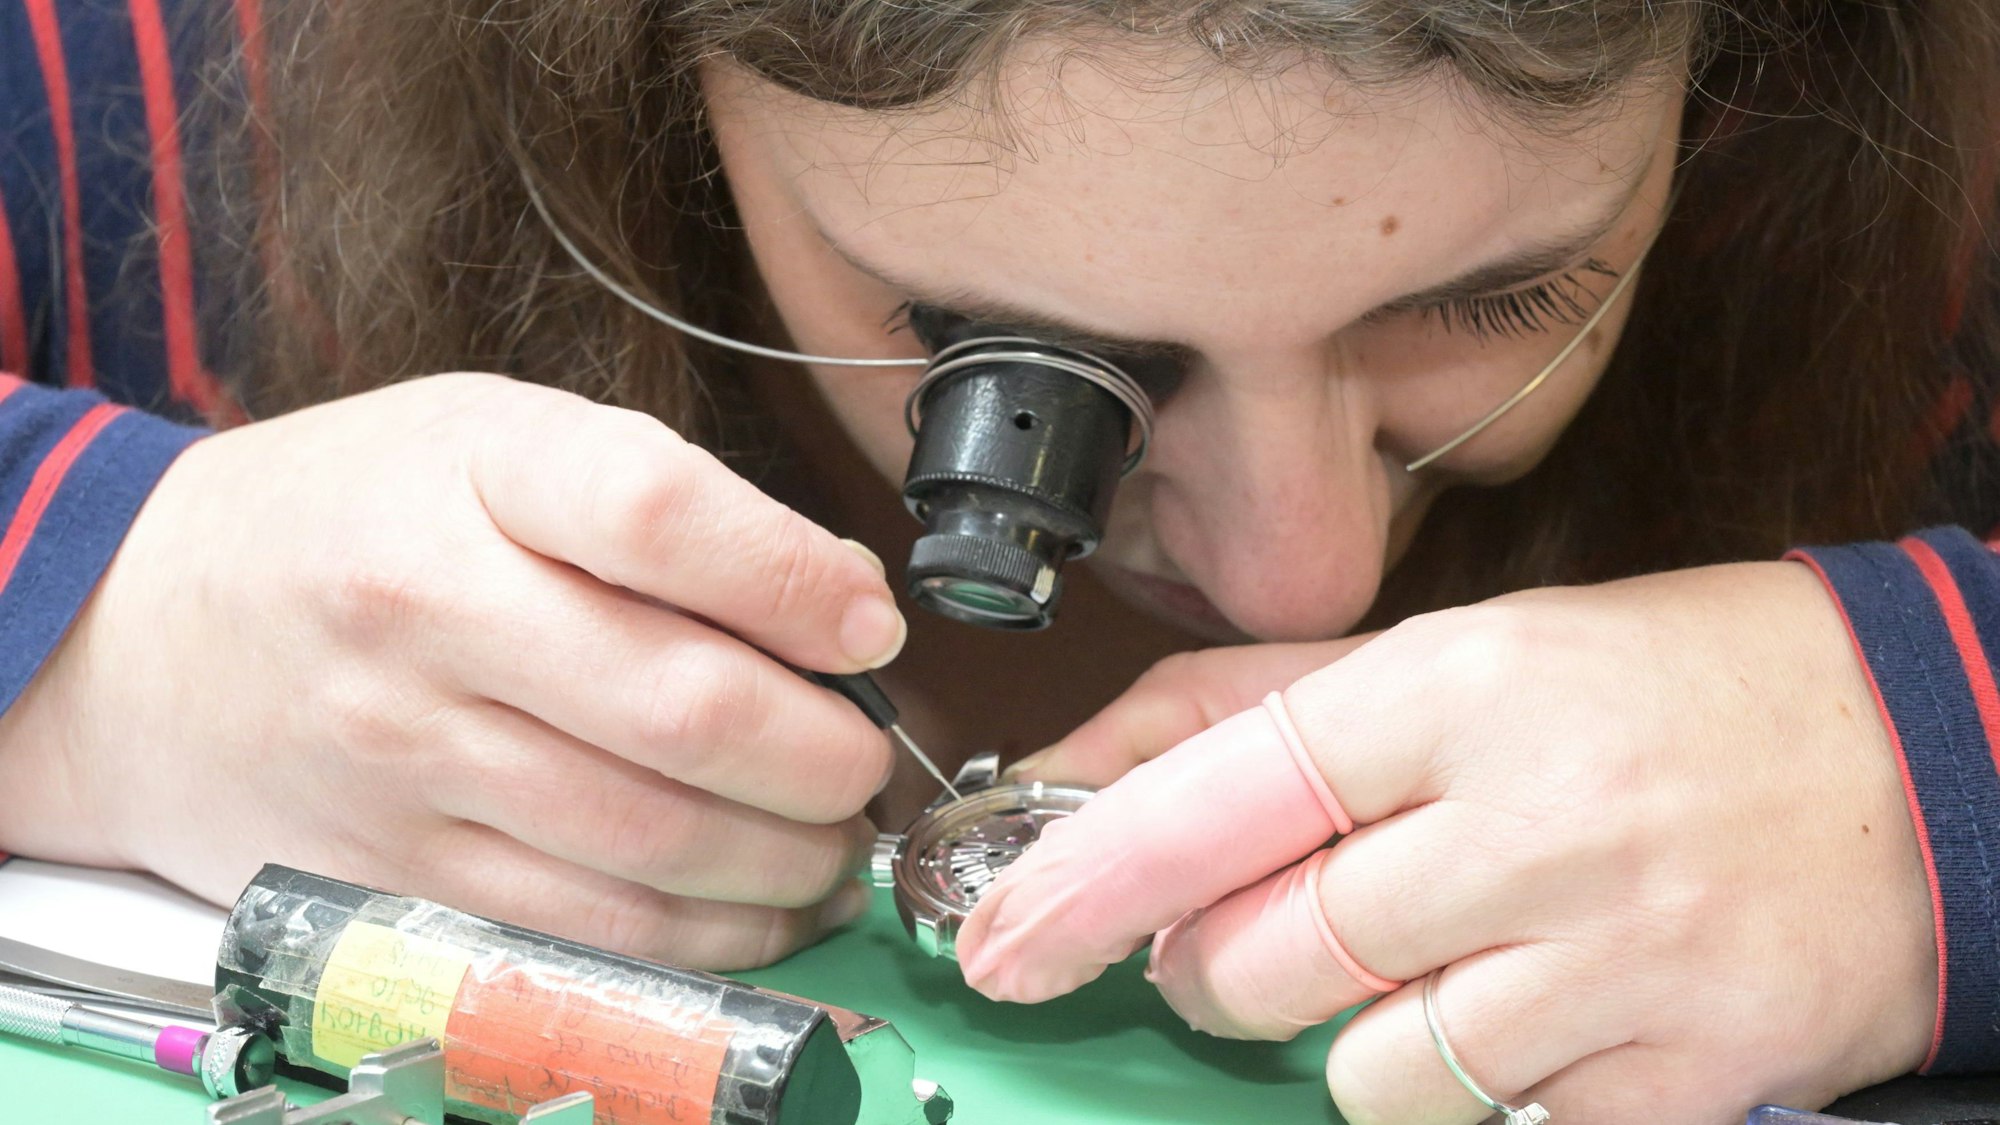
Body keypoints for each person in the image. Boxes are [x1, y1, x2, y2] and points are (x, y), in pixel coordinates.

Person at [0, 0, 1995, 1120]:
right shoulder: (146, 80)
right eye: (1029, 372)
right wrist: (98, 610)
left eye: (1512, 295)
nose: (1293, 567)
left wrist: (1938, 746)